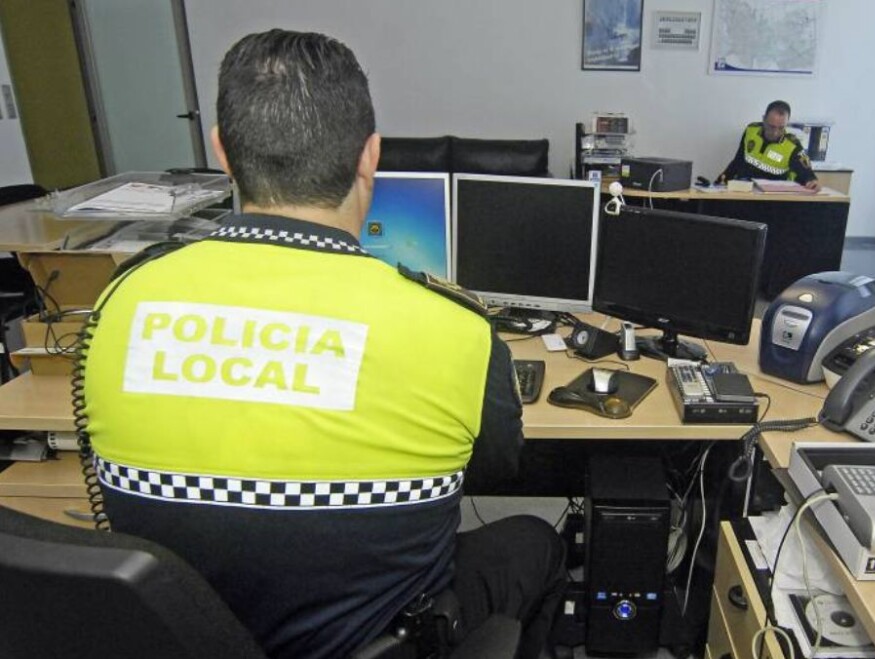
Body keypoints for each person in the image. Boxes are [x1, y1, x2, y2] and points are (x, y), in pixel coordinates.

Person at [80, 29, 564, 659]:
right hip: (392, 640)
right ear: (371, 157)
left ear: (222, 152)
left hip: (185, 635)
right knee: (536, 542)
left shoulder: (121, 301)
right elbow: (497, 469)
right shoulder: (456, 327)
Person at [717, 100, 822, 192]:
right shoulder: (751, 130)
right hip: (744, 191)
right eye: (771, 127)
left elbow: (806, 174)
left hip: (772, 200)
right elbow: (739, 160)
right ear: (764, 119)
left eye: (781, 128)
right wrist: (720, 182)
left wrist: (812, 181)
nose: (775, 133)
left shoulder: (792, 146)